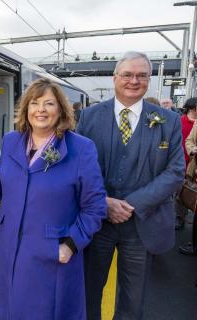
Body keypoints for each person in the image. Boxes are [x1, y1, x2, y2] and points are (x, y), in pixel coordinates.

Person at [0, 78, 107, 319]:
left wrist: (70, 245)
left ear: (61, 109)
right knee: (10, 308)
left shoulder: (81, 148)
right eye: (34, 103)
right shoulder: (12, 140)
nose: (40, 110)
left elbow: (95, 207)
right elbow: (2, 180)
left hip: (52, 253)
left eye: (49, 103)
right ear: (26, 109)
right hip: (10, 248)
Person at [77, 51, 185, 320]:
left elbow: (175, 172)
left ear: (149, 79)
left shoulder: (168, 121)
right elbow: (75, 168)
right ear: (115, 78)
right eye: (127, 74)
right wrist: (103, 202)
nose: (133, 81)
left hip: (141, 225)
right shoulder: (89, 117)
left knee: (132, 300)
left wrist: (132, 205)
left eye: (141, 75)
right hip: (96, 223)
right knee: (87, 293)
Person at [175, 97, 197, 230]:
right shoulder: (179, 121)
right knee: (183, 192)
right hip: (184, 162)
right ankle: (179, 217)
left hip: (192, 163)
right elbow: (188, 141)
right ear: (193, 108)